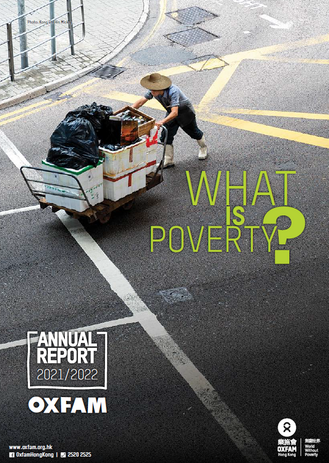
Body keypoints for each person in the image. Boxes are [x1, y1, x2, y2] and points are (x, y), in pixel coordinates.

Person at [132, 73, 208, 168]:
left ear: (161, 87)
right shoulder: (153, 91)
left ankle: (203, 147)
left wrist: (161, 122)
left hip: (185, 112)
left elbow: (175, 112)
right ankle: (168, 160)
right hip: (171, 111)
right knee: (165, 136)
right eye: (151, 89)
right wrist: (130, 110)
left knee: (194, 132)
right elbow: (141, 101)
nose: (151, 91)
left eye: (154, 89)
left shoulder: (173, 91)